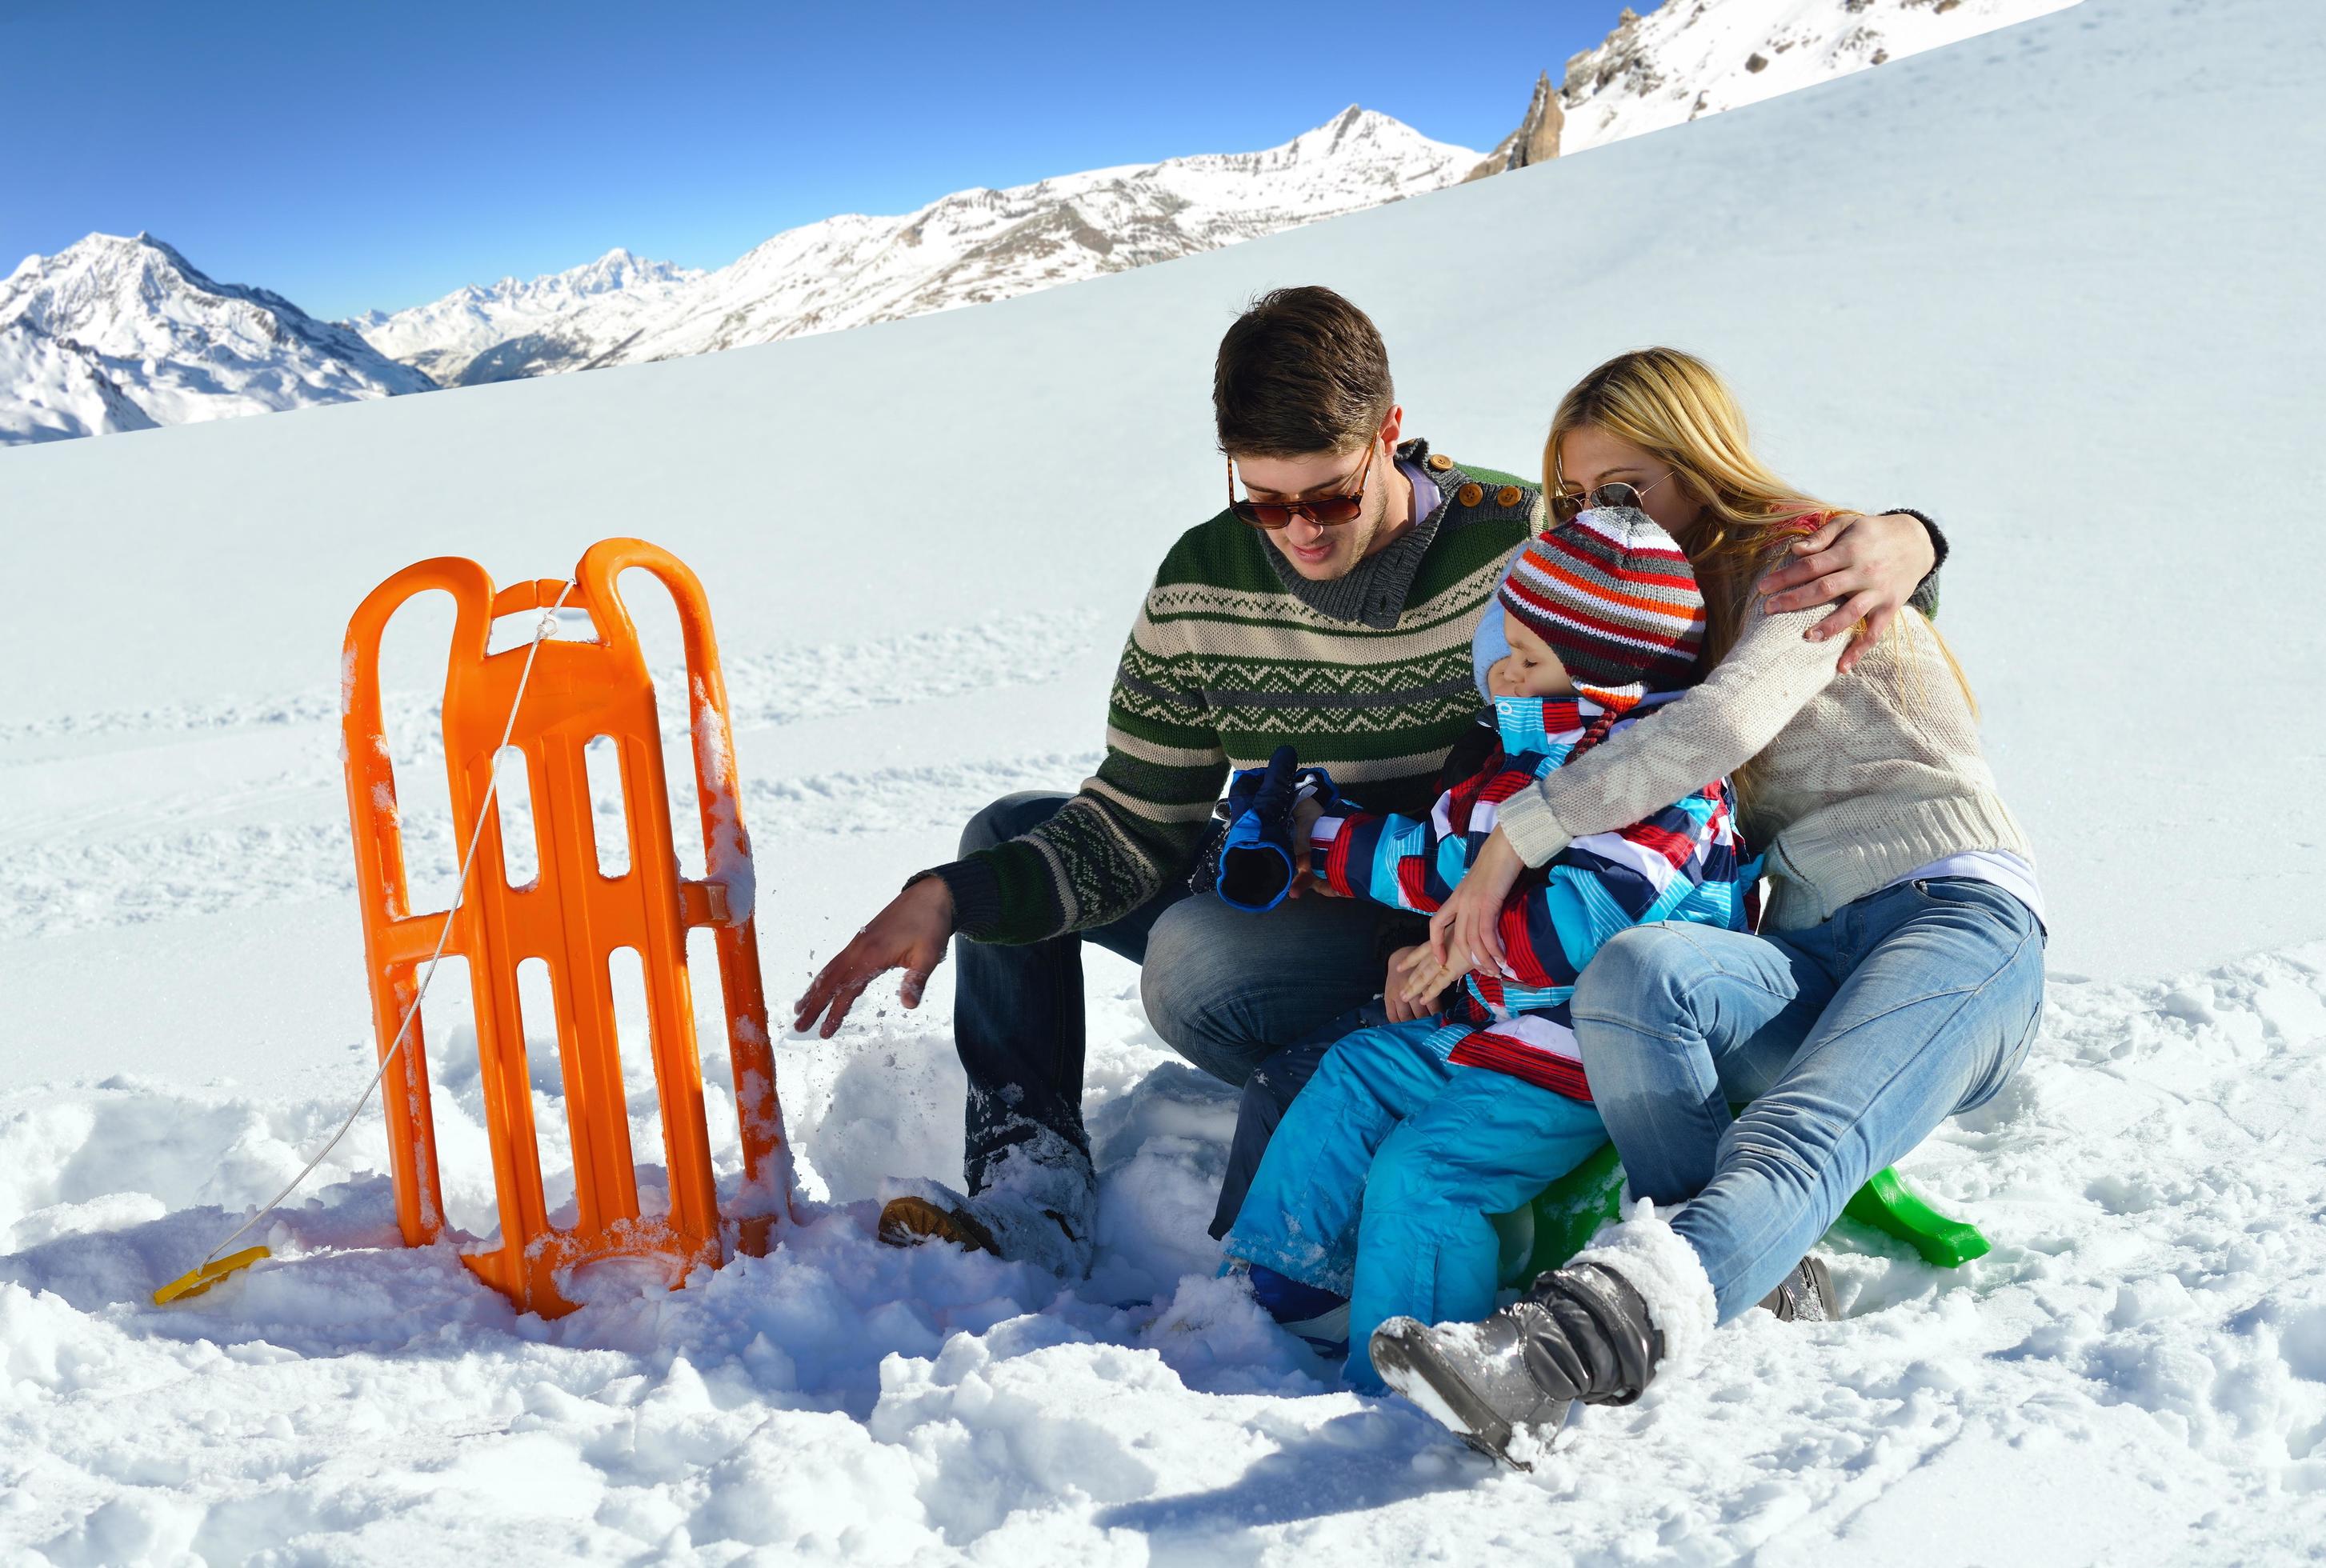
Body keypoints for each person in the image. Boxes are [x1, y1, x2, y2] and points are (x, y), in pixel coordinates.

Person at [789, 289, 1948, 1275]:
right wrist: (950, 893)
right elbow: (1135, 822)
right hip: (1319, 857)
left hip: (1470, 905)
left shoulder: (1522, 537)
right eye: (1263, 499)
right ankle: (1029, 1184)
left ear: (1391, 434)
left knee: (1196, 966)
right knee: (1006, 838)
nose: (1295, 530)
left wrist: (1907, 543)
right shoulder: (1204, 582)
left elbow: (1699, 603)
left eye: (1329, 496)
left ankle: (1438, 1096)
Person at [1366, 347, 2045, 1466]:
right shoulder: (1654, 613)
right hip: (1805, 945)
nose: (1599, 515)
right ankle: (1756, 1277)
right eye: (1577, 496)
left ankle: (1556, 1355)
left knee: (1794, 1135)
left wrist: (1513, 844)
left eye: (1625, 487)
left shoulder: (1799, 561)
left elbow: (1719, 730)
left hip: (1954, 917)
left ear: (1697, 460)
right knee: (1635, 974)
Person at [1222, 507, 1751, 1390]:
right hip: (1492, 1039)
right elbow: (1430, 864)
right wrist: (1317, 837)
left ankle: (1412, 1369)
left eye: (1532, 658)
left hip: (1586, 1057)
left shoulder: (1667, 794)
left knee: (1428, 1171)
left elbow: (1579, 929)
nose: (1503, 668)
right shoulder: (1507, 772)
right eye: (1509, 644)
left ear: (1609, 679)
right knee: (1353, 1070)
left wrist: (1457, 948)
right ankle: (1285, 1281)